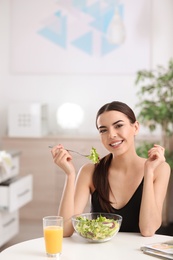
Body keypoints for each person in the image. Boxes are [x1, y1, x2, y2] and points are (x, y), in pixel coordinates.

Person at [51, 101, 171, 237]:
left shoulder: (159, 169)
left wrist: (148, 172)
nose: (111, 135)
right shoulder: (89, 172)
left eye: (119, 126)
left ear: (135, 128)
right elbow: (66, 230)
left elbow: (148, 230)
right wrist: (70, 174)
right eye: (103, 130)